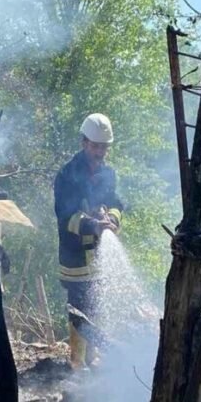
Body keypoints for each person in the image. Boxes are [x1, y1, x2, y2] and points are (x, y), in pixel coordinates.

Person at [53, 113, 124, 369]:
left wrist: (112, 219)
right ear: (84, 143)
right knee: (79, 311)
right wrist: (92, 225)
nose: (100, 151)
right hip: (75, 258)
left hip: (99, 255)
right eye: (95, 146)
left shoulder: (108, 173)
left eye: (104, 146)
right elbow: (64, 217)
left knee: (98, 307)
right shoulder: (66, 175)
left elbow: (115, 203)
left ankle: (94, 361)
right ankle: (77, 364)